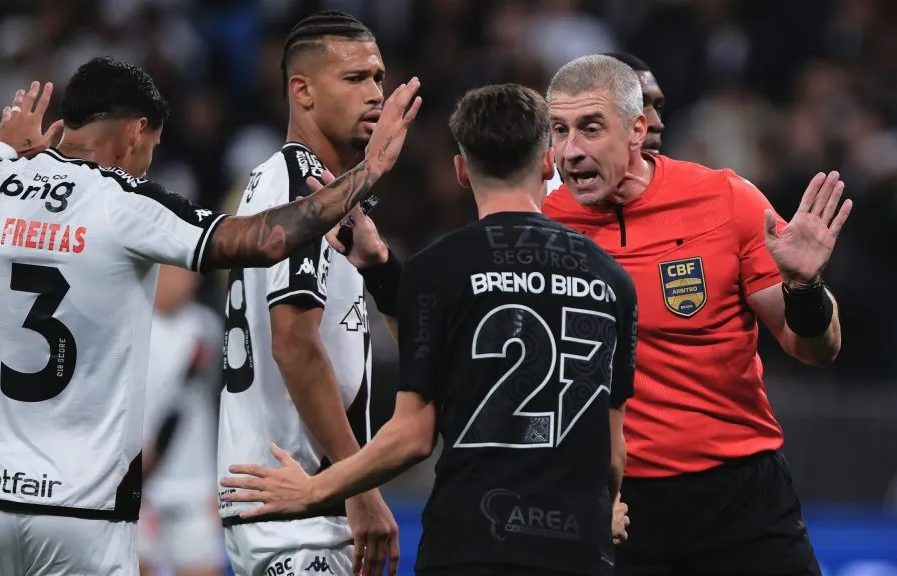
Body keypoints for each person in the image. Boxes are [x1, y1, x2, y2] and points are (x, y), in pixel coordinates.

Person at [0, 55, 421, 576]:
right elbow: (264, 240)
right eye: (151, 148)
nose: (147, 164)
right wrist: (368, 172)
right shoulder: (120, 201)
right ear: (136, 132)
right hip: (80, 511)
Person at [221, 83, 640, 576]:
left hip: (472, 544)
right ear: (548, 163)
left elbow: (413, 437)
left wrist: (314, 489)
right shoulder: (613, 279)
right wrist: (605, 506)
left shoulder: (439, 268)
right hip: (578, 550)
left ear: (461, 171)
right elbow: (613, 453)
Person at [542, 54, 850, 575]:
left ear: (638, 129)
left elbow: (816, 348)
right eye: (558, 131)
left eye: (591, 129)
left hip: (739, 496)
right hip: (616, 505)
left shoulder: (725, 200)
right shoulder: (541, 228)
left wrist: (804, 286)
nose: (571, 152)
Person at [218, 11, 401, 576]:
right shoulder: (299, 180)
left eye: (378, 76)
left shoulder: (324, 191)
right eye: (355, 79)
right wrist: (359, 487)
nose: (376, 93)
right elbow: (294, 343)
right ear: (302, 90)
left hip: (300, 504)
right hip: (300, 503)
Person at [139, 265, 225, 576]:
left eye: (190, 273)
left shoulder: (205, 329)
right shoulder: (130, 323)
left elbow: (193, 402)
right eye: (173, 271)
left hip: (193, 486)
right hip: (136, 485)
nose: (185, 280)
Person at [548, 52, 664, 194]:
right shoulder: (539, 202)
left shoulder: (689, 194)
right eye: (639, 104)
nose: (657, 124)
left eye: (657, 107)